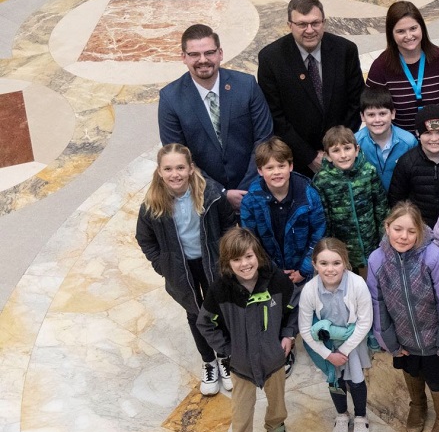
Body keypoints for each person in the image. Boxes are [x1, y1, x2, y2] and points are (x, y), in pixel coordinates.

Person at [197, 228, 297, 432]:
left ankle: (276, 428)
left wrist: (287, 334)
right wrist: (228, 349)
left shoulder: (276, 281)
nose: (245, 264)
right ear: (227, 264)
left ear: (258, 255)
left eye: (249, 256)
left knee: (277, 401)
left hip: (274, 360)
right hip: (241, 365)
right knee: (241, 411)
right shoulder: (220, 290)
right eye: (237, 260)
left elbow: (294, 307)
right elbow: (205, 323)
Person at [136, 144, 238, 396]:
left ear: (191, 168)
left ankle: (225, 357)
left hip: (211, 261)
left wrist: (225, 255)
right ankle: (208, 361)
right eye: (168, 169)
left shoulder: (211, 193)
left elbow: (228, 222)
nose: (175, 174)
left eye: (180, 167)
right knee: (195, 313)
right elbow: (145, 238)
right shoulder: (152, 205)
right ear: (159, 172)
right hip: (181, 268)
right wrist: (163, 265)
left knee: (219, 310)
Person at [367, 201, 439, 432]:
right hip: (403, 337)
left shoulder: (433, 256)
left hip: (433, 338)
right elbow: (378, 304)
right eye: (398, 229)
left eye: (411, 231)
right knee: (410, 372)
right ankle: (417, 406)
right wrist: (389, 342)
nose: (404, 236)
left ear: (420, 231)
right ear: (387, 227)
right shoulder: (377, 260)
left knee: (436, 377)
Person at [158, 24, 273, 211]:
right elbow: (177, 157)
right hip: (204, 199)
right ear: (183, 57)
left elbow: (264, 139)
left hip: (255, 190)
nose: (203, 60)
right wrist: (220, 192)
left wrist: (246, 188)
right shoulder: (170, 98)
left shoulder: (247, 85)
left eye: (209, 53)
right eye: (194, 54)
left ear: (220, 53)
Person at [257, 0, 365, 177]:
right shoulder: (271, 59)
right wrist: (309, 156)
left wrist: (338, 149)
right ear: (289, 25)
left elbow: (356, 101)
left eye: (315, 23)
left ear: (324, 22)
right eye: (302, 24)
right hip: (298, 163)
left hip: (343, 157)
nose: (310, 30)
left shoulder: (345, 50)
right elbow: (275, 115)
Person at [297, 238, 374, 432]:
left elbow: (365, 321)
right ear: (314, 264)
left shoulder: (357, 284)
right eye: (323, 263)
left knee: (356, 380)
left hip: (352, 342)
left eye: (336, 263)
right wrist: (329, 355)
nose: (330, 269)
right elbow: (304, 329)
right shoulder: (309, 290)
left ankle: (360, 418)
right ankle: (341, 416)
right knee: (334, 379)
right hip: (327, 345)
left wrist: (345, 351)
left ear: (345, 263)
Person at [239, 137, 327, 293]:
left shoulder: (309, 195)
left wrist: (304, 270)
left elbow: (319, 233)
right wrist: (273, 270)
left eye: (281, 166)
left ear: (291, 166)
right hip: (269, 273)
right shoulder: (250, 201)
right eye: (269, 168)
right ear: (260, 170)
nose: (276, 172)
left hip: (306, 271)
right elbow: (251, 241)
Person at [366, 1, 439, 135]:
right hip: (399, 144)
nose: (409, 36)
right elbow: (373, 109)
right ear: (391, 34)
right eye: (401, 31)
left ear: (422, 27)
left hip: (437, 141)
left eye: (413, 28)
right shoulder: (380, 67)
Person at [311, 126, 388, 275]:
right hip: (342, 249)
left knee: (370, 283)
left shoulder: (368, 171)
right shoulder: (322, 181)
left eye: (347, 148)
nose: (343, 155)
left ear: (357, 149)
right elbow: (324, 218)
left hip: (371, 244)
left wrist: (383, 238)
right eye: (336, 151)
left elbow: (381, 207)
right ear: (327, 155)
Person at [388, 105, 439, 228]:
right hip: (419, 227)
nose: (434, 139)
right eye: (427, 133)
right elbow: (397, 201)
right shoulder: (407, 162)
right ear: (418, 134)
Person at [355, 86, 417, 195]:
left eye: (382, 114)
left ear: (392, 114)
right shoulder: (355, 142)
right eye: (371, 115)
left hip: (401, 201)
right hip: (369, 203)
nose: (377, 120)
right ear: (362, 116)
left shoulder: (409, 142)